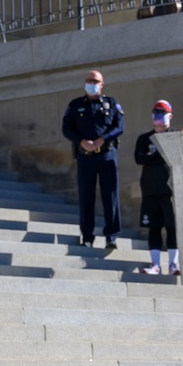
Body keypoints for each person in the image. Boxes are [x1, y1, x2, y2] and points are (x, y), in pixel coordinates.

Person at [62, 69, 124, 249]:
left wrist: (101, 140)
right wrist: (82, 142)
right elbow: (67, 129)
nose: (92, 83)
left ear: (102, 84)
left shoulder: (111, 103)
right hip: (85, 157)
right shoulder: (75, 105)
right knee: (86, 196)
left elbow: (119, 127)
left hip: (107, 155)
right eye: (89, 80)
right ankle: (87, 237)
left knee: (110, 195)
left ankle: (111, 236)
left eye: (95, 81)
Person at [134, 100, 180, 275]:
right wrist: (160, 156)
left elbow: (175, 156)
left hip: (170, 189)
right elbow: (139, 158)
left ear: (170, 115)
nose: (158, 115)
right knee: (153, 227)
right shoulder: (144, 139)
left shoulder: (175, 135)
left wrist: (152, 156)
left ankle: (173, 264)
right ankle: (155, 264)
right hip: (149, 189)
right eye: (155, 112)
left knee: (172, 226)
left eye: (162, 112)